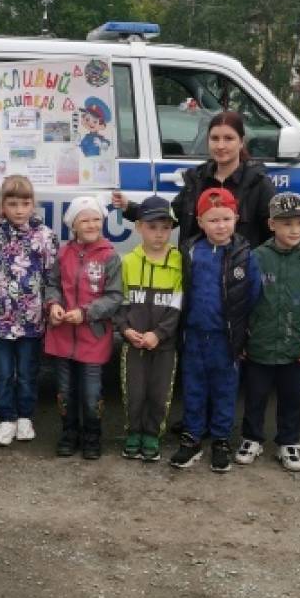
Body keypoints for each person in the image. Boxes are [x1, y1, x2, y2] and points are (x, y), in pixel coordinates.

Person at [169, 187, 262, 474]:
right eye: (212, 220)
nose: (220, 226)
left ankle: (221, 438)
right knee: (194, 387)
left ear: (235, 218)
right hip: (194, 334)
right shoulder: (189, 251)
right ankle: (193, 436)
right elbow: (179, 289)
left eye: (225, 219)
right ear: (199, 222)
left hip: (226, 337)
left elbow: (254, 296)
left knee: (225, 388)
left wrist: (243, 334)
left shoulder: (245, 255)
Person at [235, 192, 300, 474]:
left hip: (294, 347)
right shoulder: (256, 258)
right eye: (287, 224)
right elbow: (243, 301)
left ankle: (289, 442)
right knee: (255, 395)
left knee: (291, 398)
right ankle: (251, 438)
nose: (295, 230)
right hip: (260, 345)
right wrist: (243, 339)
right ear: (272, 224)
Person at [112, 110, 274, 248]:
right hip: (197, 274)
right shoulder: (197, 180)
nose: (220, 146)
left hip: (239, 279)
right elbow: (170, 216)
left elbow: (272, 237)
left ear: (241, 142)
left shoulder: (258, 183)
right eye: (215, 138)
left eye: (228, 138)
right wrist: (128, 207)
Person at [0, 175, 58, 447]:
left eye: (25, 203)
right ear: (3, 204)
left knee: (27, 371)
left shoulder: (45, 236)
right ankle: (6, 419)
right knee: (2, 372)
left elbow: (51, 278)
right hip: (0, 319)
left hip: (31, 320)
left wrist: (50, 310)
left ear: (33, 204)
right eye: (13, 203)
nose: (20, 209)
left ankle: (25, 417)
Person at [45, 195, 122, 460]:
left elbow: (114, 297)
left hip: (93, 338)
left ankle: (92, 435)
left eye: (96, 219)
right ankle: (69, 434)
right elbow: (52, 283)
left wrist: (87, 313)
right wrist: (53, 304)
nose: (91, 224)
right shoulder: (63, 252)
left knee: (91, 395)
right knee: (65, 393)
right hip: (62, 336)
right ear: (73, 225)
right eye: (84, 220)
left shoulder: (110, 256)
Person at [114, 195, 183, 464]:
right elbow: (120, 302)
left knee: (159, 392)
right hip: (134, 342)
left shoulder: (178, 262)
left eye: (165, 228)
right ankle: (134, 432)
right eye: (152, 227)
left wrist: (159, 334)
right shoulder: (129, 261)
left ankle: (152, 433)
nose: (159, 234)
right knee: (135, 391)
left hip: (163, 344)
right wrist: (125, 330)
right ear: (138, 227)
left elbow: (178, 305)